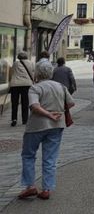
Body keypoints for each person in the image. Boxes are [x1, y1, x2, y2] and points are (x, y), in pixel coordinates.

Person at [17, 60, 75, 200]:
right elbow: (71, 103)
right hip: (56, 125)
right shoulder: (61, 86)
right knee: (50, 158)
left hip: (36, 126)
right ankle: (47, 188)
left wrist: (48, 114)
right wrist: (58, 111)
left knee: (28, 155)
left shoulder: (35, 88)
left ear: (37, 72)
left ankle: (30, 186)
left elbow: (34, 106)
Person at [9, 52, 34, 127]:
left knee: (14, 102)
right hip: (26, 84)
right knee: (25, 102)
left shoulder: (15, 63)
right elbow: (32, 72)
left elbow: (12, 72)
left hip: (15, 84)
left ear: (19, 57)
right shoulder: (30, 63)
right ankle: (25, 119)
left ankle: (14, 119)